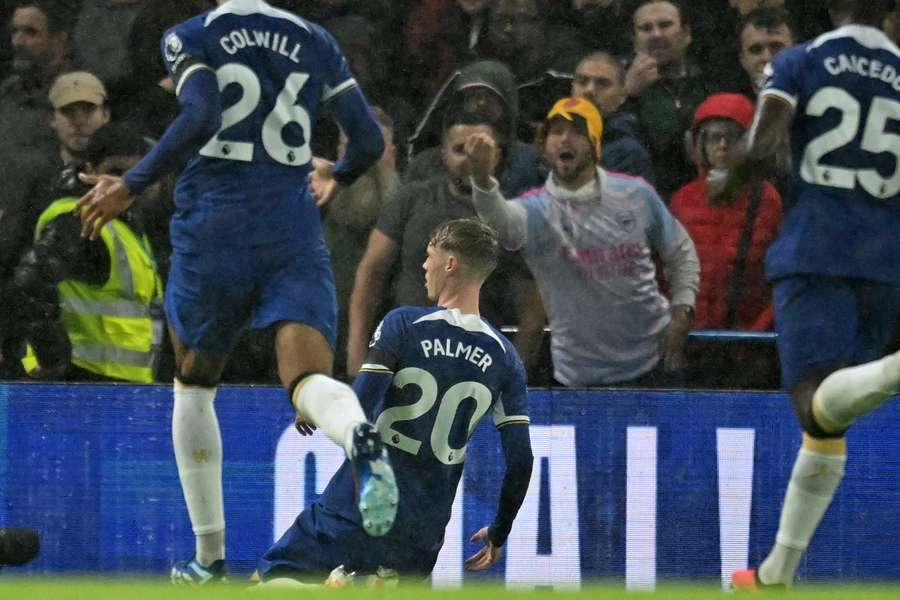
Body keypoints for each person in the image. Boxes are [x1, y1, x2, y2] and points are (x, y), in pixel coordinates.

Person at [74, 0, 395, 584]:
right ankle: (358, 436)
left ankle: (208, 559)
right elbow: (369, 141)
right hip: (291, 226)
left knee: (195, 384)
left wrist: (132, 183)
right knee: (307, 381)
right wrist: (336, 175)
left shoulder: (195, 34)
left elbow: (200, 112)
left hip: (216, 225)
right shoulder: (314, 38)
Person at [711, 0, 900, 589]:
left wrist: (726, 178)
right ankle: (776, 574)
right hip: (886, 261)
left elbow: (763, 147)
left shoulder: (802, 60)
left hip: (819, 248)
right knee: (827, 422)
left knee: (812, 398)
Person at [257, 218, 533, 584]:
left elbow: (363, 403)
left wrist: (320, 407)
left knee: (271, 580)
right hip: (420, 538)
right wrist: (500, 530)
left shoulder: (405, 324)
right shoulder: (506, 358)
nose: (424, 265)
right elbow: (521, 461)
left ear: (451, 263)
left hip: (355, 511)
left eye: (429, 254)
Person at [467, 96, 700, 387]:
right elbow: (502, 226)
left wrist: (682, 310)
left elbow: (681, 251)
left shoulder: (636, 195)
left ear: (595, 143)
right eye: (555, 131)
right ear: (543, 145)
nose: (565, 139)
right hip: (580, 376)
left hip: (653, 363)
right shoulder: (535, 211)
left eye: (577, 131)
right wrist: (482, 180)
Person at [347, 111, 545, 380]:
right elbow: (371, 274)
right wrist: (357, 359)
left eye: (479, 150)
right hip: (405, 361)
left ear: (496, 155)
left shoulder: (510, 219)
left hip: (473, 371)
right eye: (460, 149)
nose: (469, 159)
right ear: (443, 154)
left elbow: (532, 311)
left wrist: (509, 381)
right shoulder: (411, 200)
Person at [5, 123, 164, 383]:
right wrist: (53, 359)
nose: (121, 184)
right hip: (80, 381)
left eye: (134, 175)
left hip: (112, 383)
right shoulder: (78, 218)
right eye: (114, 172)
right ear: (88, 169)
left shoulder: (124, 223)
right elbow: (27, 287)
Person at [670, 93, 782, 388]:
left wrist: (758, 334)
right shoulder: (682, 200)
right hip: (691, 347)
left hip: (750, 351)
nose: (722, 145)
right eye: (713, 137)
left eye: (732, 137)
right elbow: (662, 274)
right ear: (698, 145)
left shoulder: (767, 200)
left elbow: (780, 278)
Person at [623, 0, 713, 199]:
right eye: (646, 28)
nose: (656, 34)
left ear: (686, 34)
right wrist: (627, 93)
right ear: (635, 40)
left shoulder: (710, 83)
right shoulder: (615, 83)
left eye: (665, 25)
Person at [571, 51, 655, 182]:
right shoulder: (550, 141)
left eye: (602, 84)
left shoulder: (628, 155)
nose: (589, 90)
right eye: (582, 81)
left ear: (622, 95)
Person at [47, 71, 111, 194]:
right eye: (68, 111)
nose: (79, 121)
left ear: (106, 114)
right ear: (51, 118)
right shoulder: (35, 174)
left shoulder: (135, 165)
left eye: (88, 109)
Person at [736, 7, 796, 98]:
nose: (767, 58)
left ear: (797, 53)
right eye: (756, 49)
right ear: (743, 60)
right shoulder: (726, 109)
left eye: (776, 47)